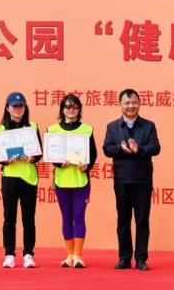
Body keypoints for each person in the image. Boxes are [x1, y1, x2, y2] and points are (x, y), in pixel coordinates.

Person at [102, 89, 161, 271]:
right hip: (122, 180)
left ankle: (141, 258)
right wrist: (120, 149)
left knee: (142, 220)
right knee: (123, 220)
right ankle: (124, 258)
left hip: (143, 180)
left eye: (134, 102)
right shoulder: (112, 127)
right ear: (120, 104)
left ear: (139, 103)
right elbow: (107, 149)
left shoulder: (148, 126)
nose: (131, 106)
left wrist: (139, 149)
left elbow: (155, 147)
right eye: (127, 103)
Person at [0, 91, 42, 269]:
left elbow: (40, 153)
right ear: (7, 108)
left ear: (25, 108)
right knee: (9, 218)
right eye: (14, 106)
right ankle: (9, 254)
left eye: (21, 106)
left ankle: (28, 254)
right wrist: (4, 159)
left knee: (29, 219)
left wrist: (32, 158)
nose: (18, 109)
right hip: (10, 178)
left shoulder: (32, 127)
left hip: (28, 178)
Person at [47, 94, 97, 268]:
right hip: (62, 181)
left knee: (79, 216)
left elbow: (93, 155)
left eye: (75, 107)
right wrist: (59, 163)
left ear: (79, 110)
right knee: (66, 218)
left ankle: (78, 256)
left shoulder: (87, 129)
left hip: (80, 181)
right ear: (62, 109)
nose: (71, 110)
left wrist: (86, 166)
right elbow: (50, 154)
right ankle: (69, 255)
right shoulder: (53, 129)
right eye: (67, 107)